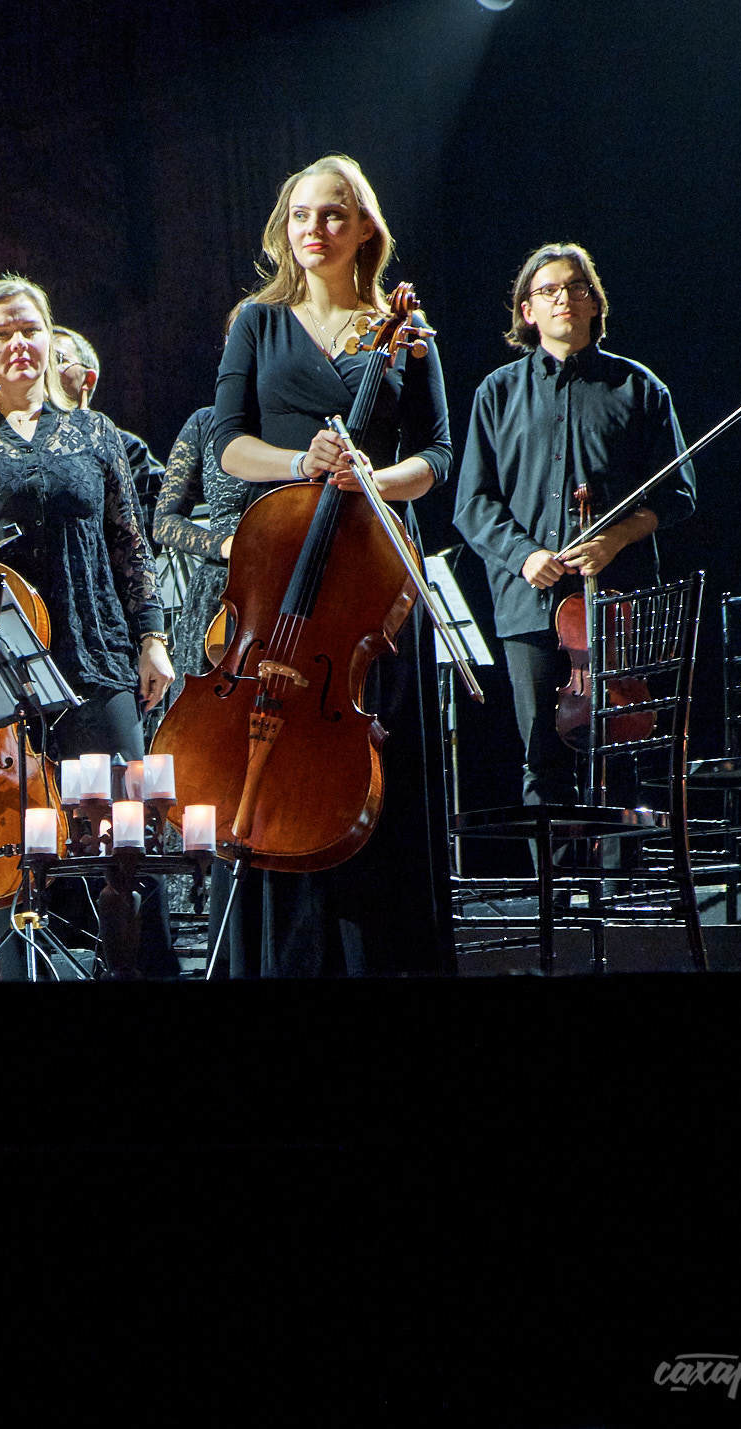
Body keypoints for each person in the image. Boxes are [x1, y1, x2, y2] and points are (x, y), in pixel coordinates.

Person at [206, 153, 453, 977]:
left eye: (335, 216)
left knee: (374, 756)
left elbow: (437, 457)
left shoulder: (407, 332)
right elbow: (226, 443)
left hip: (370, 583)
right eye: (303, 215)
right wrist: (299, 464)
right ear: (286, 228)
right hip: (283, 574)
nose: (316, 230)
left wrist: (371, 479)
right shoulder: (256, 322)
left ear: (364, 231)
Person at [0, 275, 176, 979]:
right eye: (1, 333)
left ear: (50, 338)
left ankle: (145, 970)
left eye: (30, 329)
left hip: (96, 651)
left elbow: (129, 543)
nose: (18, 343)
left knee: (125, 838)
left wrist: (152, 636)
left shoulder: (92, 430)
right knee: (12, 847)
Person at [454, 242, 694, 807]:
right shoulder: (496, 393)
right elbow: (473, 504)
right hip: (528, 602)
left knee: (621, 752)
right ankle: (556, 895)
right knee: (543, 756)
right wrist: (524, 555)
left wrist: (616, 537)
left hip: (617, 602)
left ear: (594, 304)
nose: (563, 298)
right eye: (548, 290)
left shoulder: (640, 389)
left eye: (575, 288)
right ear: (527, 311)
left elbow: (679, 495)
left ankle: (618, 888)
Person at [151, 405, 255, 691]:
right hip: (219, 594)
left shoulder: (296, 419)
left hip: (286, 587)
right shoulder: (206, 422)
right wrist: (222, 544)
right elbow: (164, 522)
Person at [49, 325, 167, 529]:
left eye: (58, 359)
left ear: (88, 379)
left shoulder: (126, 449)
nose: (45, 369)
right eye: (42, 360)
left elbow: (146, 530)